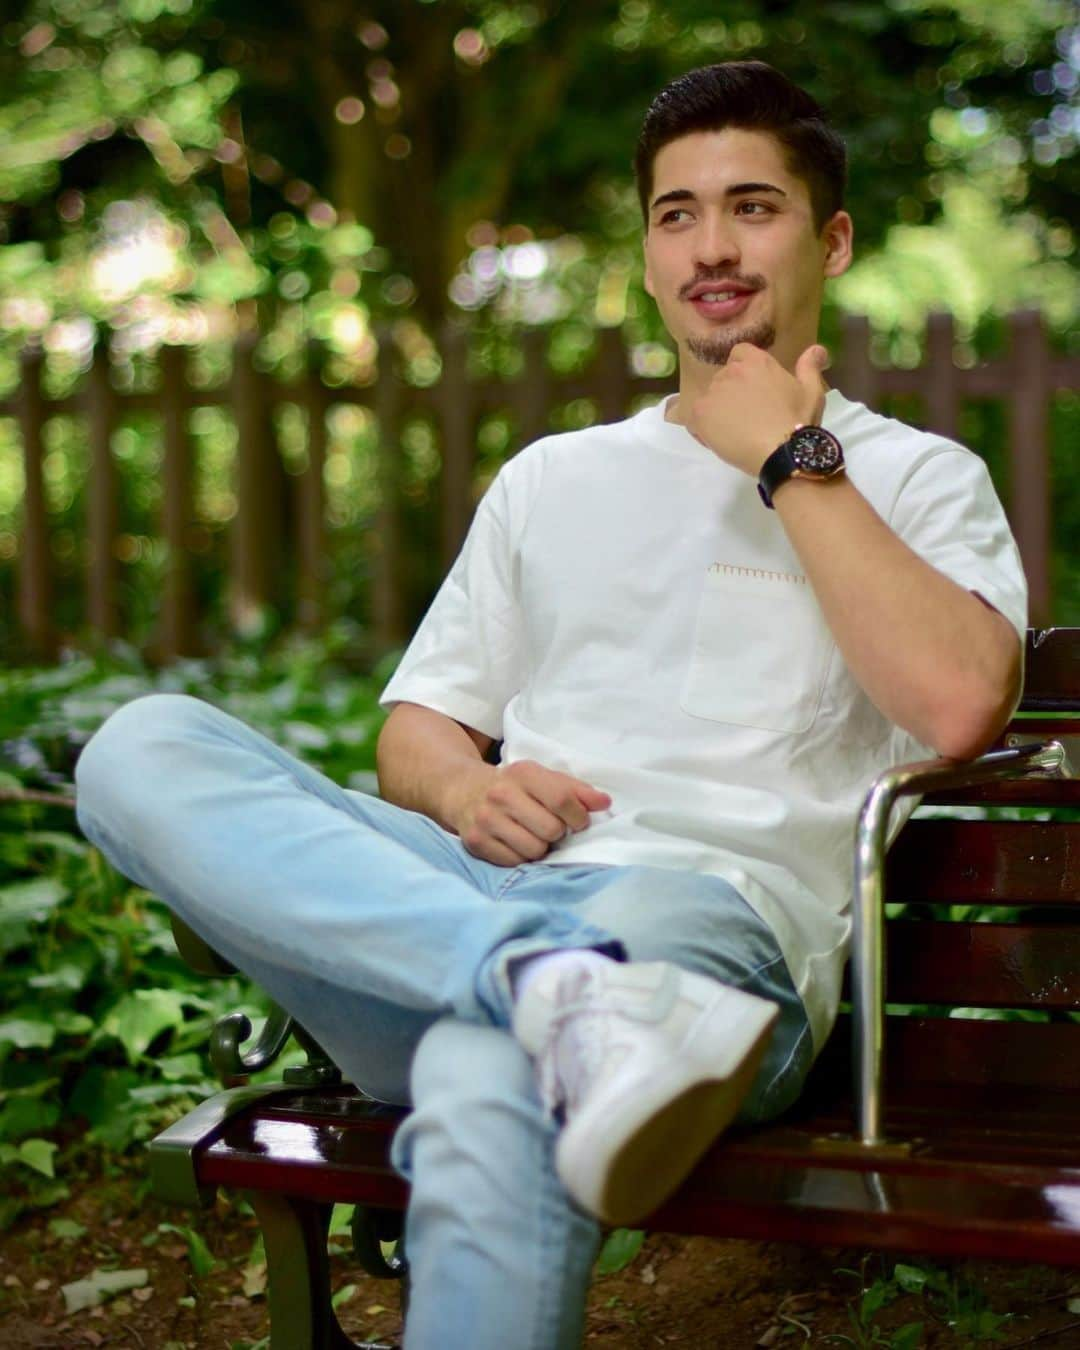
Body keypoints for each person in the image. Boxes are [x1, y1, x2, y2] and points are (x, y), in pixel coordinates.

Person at [74, 60, 1027, 1350]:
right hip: (474, 907)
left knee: (486, 1071)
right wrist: (465, 789)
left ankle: (556, 1004)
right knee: (143, 747)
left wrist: (789, 463)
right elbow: (420, 729)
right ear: (644, 253)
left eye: (754, 206)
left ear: (833, 238)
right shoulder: (554, 480)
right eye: (676, 214)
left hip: (700, 935)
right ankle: (546, 991)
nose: (711, 246)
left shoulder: (915, 481)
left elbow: (964, 702)